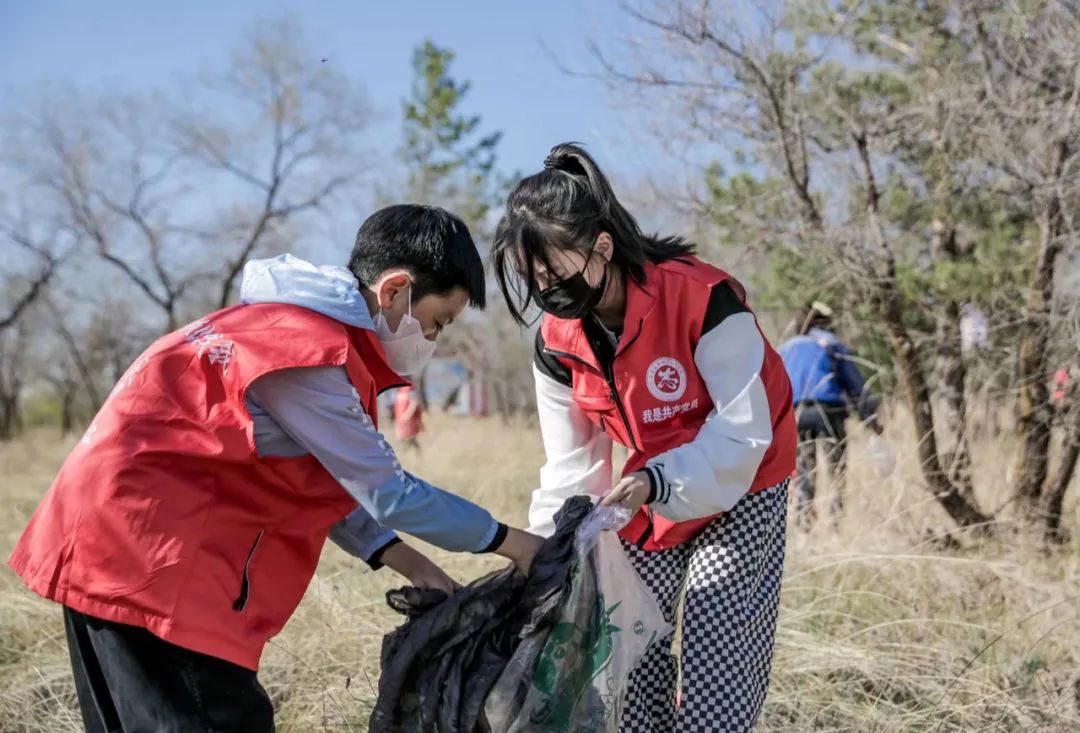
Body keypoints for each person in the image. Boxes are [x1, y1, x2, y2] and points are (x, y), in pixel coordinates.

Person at [8, 205, 543, 733]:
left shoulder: (271, 327)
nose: (433, 340)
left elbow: (315, 477)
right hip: (150, 565)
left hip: (102, 547)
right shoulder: (308, 351)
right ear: (395, 291)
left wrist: (406, 561)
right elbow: (392, 494)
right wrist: (515, 544)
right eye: (436, 323)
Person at [491, 143, 797, 733]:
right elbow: (572, 467)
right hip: (645, 487)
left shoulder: (702, 298)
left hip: (743, 472)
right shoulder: (556, 343)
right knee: (632, 644)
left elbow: (741, 432)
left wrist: (655, 480)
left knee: (718, 640)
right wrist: (551, 552)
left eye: (557, 272)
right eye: (534, 279)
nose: (548, 290)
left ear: (602, 247)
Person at [778, 301, 883, 529]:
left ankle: (804, 523)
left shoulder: (786, 349)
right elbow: (856, 386)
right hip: (829, 412)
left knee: (805, 469)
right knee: (836, 468)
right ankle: (835, 523)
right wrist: (870, 419)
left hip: (796, 415)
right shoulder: (832, 345)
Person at [393, 385, 425, 452]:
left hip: (409, 420)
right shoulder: (399, 390)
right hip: (401, 420)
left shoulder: (410, 389)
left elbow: (414, 403)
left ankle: (410, 454)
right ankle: (413, 454)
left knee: (409, 438)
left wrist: (407, 415)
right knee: (404, 439)